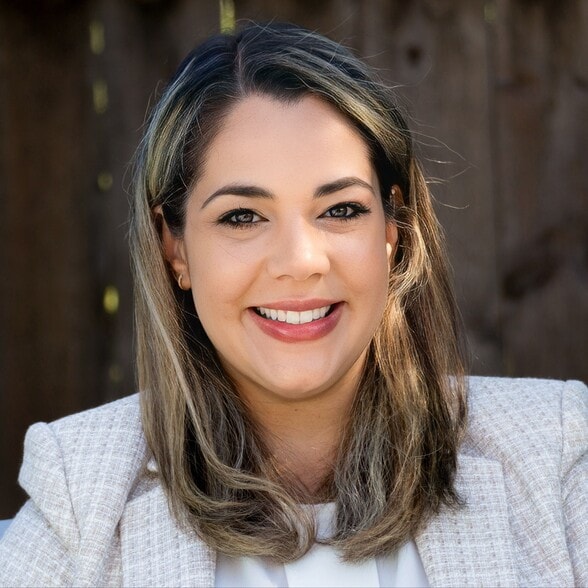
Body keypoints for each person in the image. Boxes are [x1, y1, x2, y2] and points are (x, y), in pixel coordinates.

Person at [0, 21, 586, 588]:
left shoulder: (553, 453)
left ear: (393, 229)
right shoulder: (83, 491)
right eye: (242, 217)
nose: (301, 260)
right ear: (174, 247)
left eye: (341, 209)